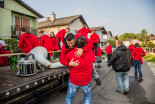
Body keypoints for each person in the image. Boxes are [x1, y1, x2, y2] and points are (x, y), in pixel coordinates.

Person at [65, 36, 95, 104]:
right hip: (86, 80)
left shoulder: (70, 54)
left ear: (75, 43)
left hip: (73, 80)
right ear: (85, 44)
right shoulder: (91, 53)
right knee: (87, 97)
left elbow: (65, 60)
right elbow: (93, 60)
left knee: (69, 97)